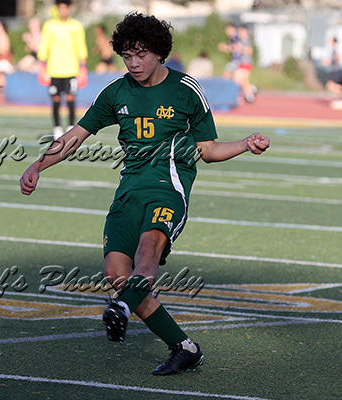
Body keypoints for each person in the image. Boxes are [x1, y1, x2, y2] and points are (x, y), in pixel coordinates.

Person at [20, 12, 270, 376]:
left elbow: (208, 150)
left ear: (159, 52)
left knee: (147, 250)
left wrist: (246, 143)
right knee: (116, 273)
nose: (134, 63)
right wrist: (37, 165)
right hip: (129, 189)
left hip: (169, 187)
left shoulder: (186, 89)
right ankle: (184, 348)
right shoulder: (117, 92)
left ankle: (122, 307)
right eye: (127, 56)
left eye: (141, 54)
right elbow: (75, 136)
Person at [37, 0, 88, 139]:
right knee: (56, 100)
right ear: (57, 9)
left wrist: (83, 68)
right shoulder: (49, 26)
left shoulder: (76, 26)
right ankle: (57, 128)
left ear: (69, 9)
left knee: (71, 98)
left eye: (65, 8)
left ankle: (71, 127)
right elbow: (44, 46)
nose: (63, 11)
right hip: (54, 70)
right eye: (60, 8)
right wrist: (41, 66)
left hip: (71, 69)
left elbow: (81, 47)